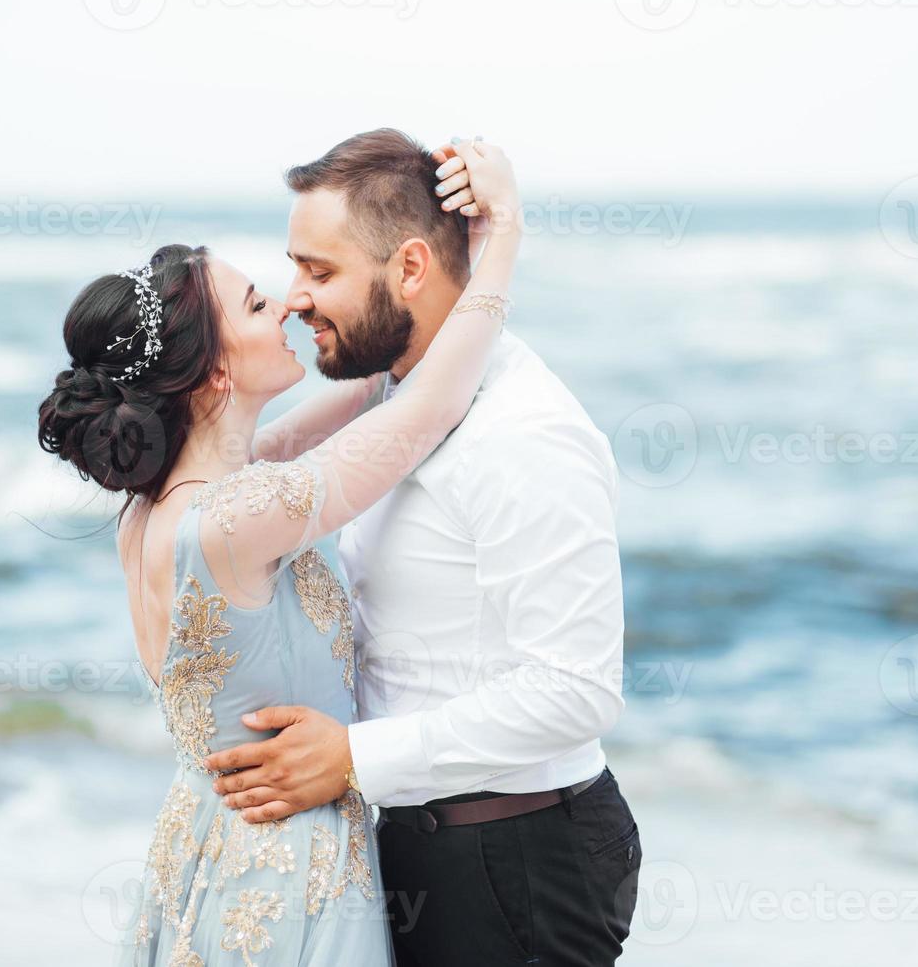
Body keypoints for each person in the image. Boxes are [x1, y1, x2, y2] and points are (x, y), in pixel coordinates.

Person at [37, 138, 517, 965]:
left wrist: (421, 267)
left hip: (205, 846)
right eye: (259, 306)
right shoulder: (238, 517)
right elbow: (424, 410)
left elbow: (374, 391)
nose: (290, 308)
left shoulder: (165, 509)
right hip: (288, 870)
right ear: (216, 376)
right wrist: (497, 237)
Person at [206, 129, 641, 967]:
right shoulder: (393, 400)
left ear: (410, 268)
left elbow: (576, 689)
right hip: (418, 843)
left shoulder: (526, 435)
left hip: (516, 862)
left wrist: (353, 757)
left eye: (319, 271)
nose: (294, 298)